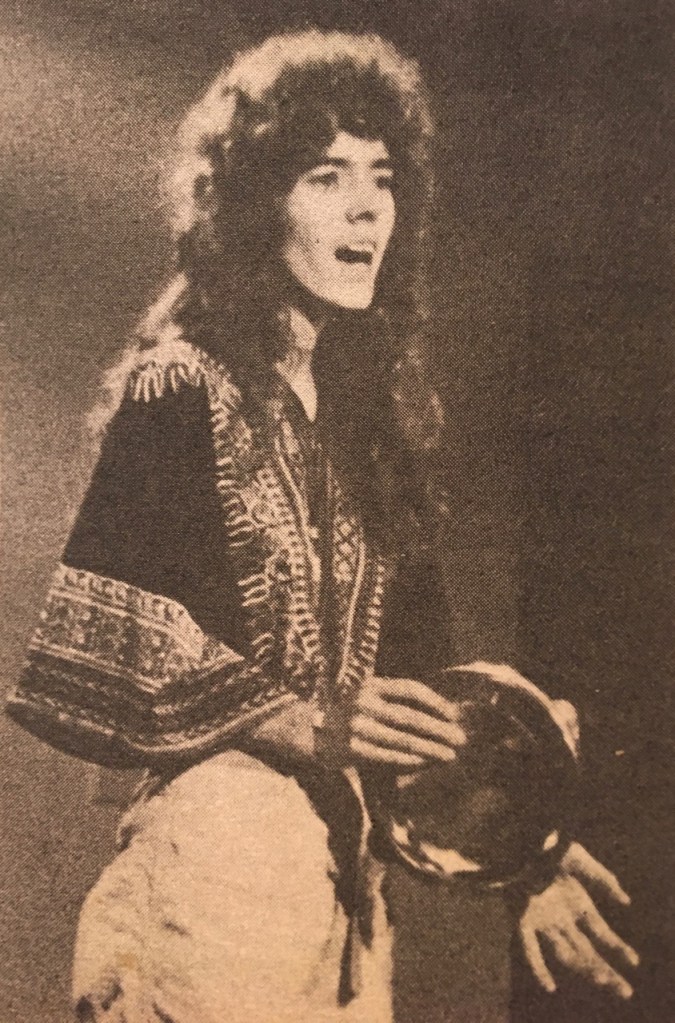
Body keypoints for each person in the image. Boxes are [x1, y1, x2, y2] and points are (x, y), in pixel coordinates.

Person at [6, 28, 638, 1023]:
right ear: (258, 206)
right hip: (210, 878)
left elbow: (429, 695)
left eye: (381, 179)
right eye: (324, 176)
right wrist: (309, 720)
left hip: (342, 902)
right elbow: (102, 636)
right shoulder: (182, 386)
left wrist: (528, 849)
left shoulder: (365, 427)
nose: (364, 207)